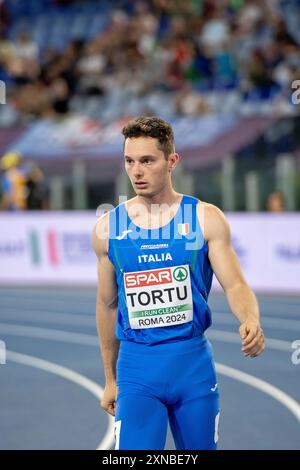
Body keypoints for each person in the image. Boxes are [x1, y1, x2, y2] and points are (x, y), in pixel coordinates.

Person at [92, 116, 265, 450]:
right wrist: (109, 378)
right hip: (137, 368)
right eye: (129, 161)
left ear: (172, 161)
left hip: (192, 366)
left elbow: (236, 286)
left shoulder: (205, 218)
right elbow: (107, 304)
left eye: (147, 161)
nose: (136, 172)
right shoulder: (108, 228)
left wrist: (250, 319)